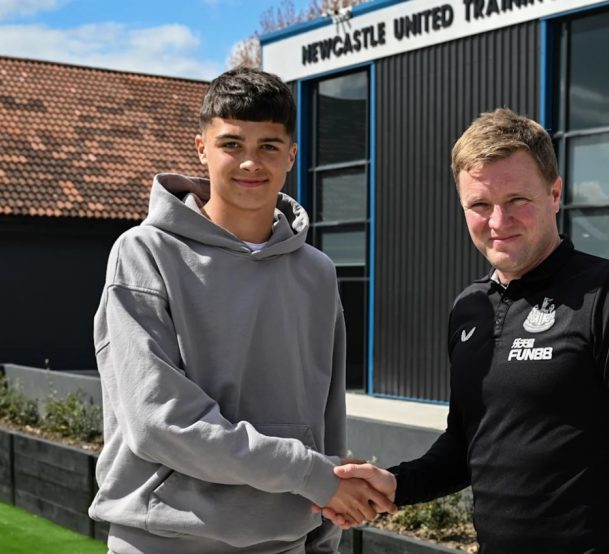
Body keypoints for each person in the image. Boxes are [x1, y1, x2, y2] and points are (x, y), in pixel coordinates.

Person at [321, 109, 609, 552]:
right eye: (480, 205)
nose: (498, 221)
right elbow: (466, 447)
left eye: (517, 199)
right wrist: (394, 484)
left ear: (555, 194)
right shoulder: (469, 309)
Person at [88, 67, 394, 554]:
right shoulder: (144, 253)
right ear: (201, 149)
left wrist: (325, 530)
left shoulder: (316, 271)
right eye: (232, 144)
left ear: (291, 156)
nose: (250, 162)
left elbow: (325, 411)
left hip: (286, 539)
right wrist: (310, 474)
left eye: (269, 146)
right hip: (165, 537)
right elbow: (157, 422)